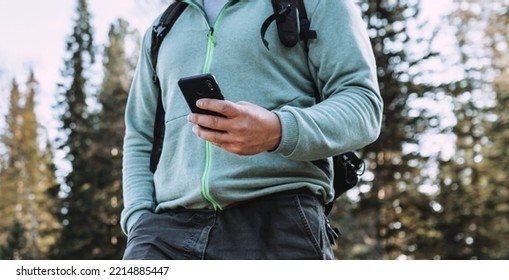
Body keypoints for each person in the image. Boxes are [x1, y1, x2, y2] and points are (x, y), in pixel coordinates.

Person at [121, 0, 382, 260]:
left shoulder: (316, 4)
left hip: (279, 219)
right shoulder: (162, 28)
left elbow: (363, 104)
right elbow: (139, 135)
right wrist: (138, 219)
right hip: (164, 235)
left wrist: (278, 130)